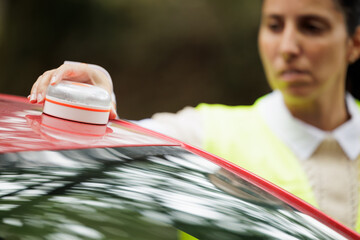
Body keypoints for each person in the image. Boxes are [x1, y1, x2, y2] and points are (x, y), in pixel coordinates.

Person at [29, 0, 360, 232]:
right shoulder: (208, 135)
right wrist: (97, 103)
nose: (287, 45)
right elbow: (99, 156)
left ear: (354, 43)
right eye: (274, 25)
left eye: (311, 27)